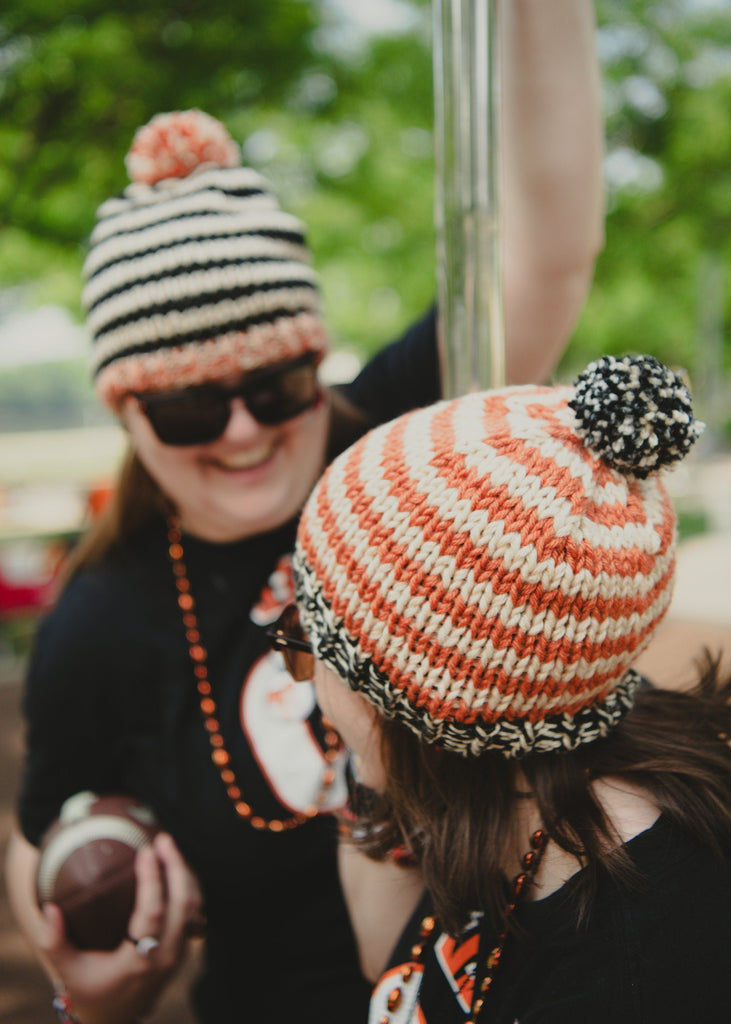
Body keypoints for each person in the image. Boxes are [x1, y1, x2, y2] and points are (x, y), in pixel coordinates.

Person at [5, 5, 605, 1023]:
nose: (242, 429)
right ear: (128, 410)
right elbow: (41, 836)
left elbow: (546, 258)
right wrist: (93, 988)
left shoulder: (387, 443)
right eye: (193, 401)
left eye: (279, 384)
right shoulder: (98, 618)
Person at [280, 353, 731, 1023]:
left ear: (416, 709)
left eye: (310, 645)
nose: (308, 682)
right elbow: (391, 973)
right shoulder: (486, 805)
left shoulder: (630, 971)